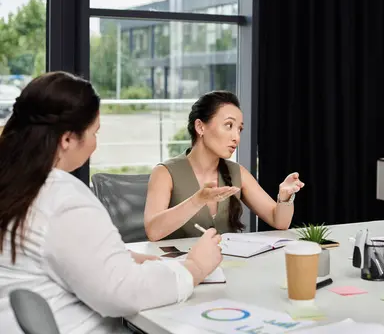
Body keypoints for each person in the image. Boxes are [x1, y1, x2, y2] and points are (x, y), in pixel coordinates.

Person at [0, 72, 223, 333]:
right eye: (94, 132)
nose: (96, 143)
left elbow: (63, 250)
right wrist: (194, 267)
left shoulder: (16, 185)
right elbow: (123, 292)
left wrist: (131, 258)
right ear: (68, 139)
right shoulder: (62, 199)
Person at [144, 91, 304, 241]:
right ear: (200, 127)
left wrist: (285, 197)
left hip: (227, 266)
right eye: (228, 125)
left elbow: (279, 221)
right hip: (182, 268)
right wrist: (198, 200)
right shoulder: (165, 173)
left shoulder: (237, 172)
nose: (236, 137)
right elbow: (153, 231)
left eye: (239, 129)